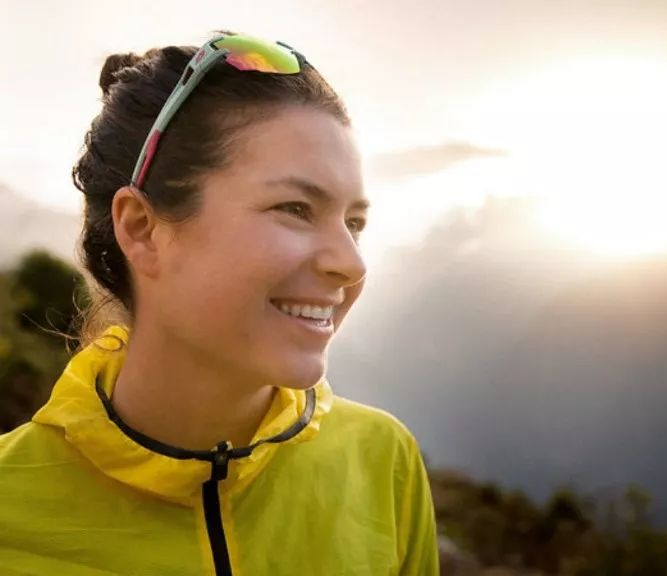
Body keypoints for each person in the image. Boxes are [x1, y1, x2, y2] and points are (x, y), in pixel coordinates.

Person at [0, 32, 440, 575]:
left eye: (354, 222)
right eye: (295, 208)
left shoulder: (383, 461)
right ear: (141, 229)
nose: (351, 264)